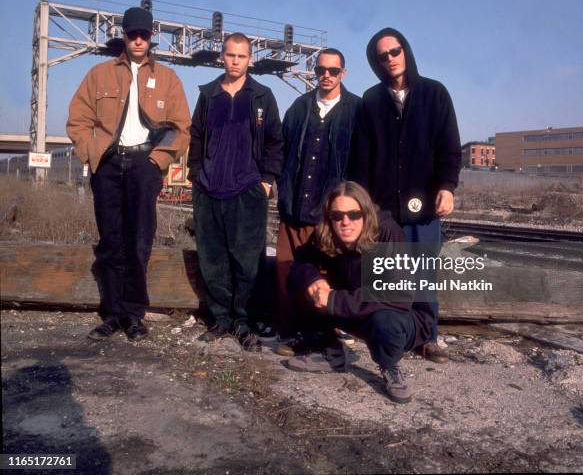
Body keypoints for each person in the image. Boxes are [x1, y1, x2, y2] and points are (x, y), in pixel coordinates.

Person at [67, 5, 191, 341]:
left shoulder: (168, 78)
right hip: (108, 164)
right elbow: (78, 120)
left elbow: (181, 128)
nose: (138, 40)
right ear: (124, 36)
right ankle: (112, 314)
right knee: (110, 241)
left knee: (139, 241)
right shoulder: (99, 74)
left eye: (144, 34)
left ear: (152, 38)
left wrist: (157, 161)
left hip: (144, 165)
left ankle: (134, 314)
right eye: (132, 33)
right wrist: (93, 153)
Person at [348, 28, 461, 363]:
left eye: (394, 51)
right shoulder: (370, 100)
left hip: (423, 205)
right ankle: (386, 335)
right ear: (375, 62)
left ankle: (428, 337)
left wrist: (447, 186)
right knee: (383, 273)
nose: (390, 60)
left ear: (406, 51)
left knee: (423, 272)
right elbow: (360, 157)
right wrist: (363, 204)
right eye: (382, 56)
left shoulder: (434, 93)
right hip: (382, 207)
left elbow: (449, 148)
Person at [285, 181, 434, 403]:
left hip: (404, 316)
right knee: (307, 286)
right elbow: (300, 264)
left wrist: (334, 300)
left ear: (365, 213)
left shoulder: (386, 232)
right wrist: (314, 280)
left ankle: (389, 365)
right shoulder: (329, 233)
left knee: (385, 320)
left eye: (354, 214)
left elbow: (398, 296)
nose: (345, 222)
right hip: (356, 307)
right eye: (337, 215)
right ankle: (329, 351)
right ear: (330, 217)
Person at [188, 32, 283, 351]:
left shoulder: (262, 96)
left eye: (241, 56)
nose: (235, 61)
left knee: (247, 262)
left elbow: (274, 141)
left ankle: (244, 322)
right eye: (230, 55)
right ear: (222, 57)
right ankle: (221, 321)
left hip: (247, 190)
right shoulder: (208, 95)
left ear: (250, 59)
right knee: (212, 260)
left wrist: (266, 181)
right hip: (209, 190)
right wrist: (195, 176)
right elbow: (196, 137)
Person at [275, 48, 360, 353]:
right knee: (287, 269)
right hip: (294, 206)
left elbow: (361, 161)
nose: (326, 76)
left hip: (330, 214)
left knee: (326, 274)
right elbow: (282, 152)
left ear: (343, 74)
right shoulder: (299, 107)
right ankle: (291, 331)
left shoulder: (356, 110)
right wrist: (280, 190)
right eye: (321, 70)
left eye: (333, 71)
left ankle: (326, 332)